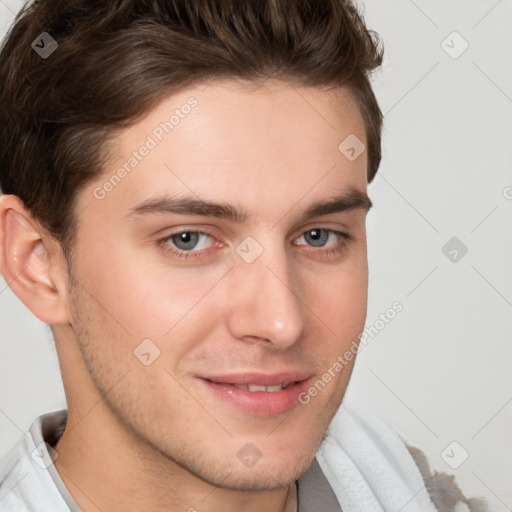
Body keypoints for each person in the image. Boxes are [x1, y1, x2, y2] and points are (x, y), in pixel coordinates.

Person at [0, 0, 489, 511]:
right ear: (37, 264)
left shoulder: (401, 482)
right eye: (188, 239)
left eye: (319, 235)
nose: (282, 322)